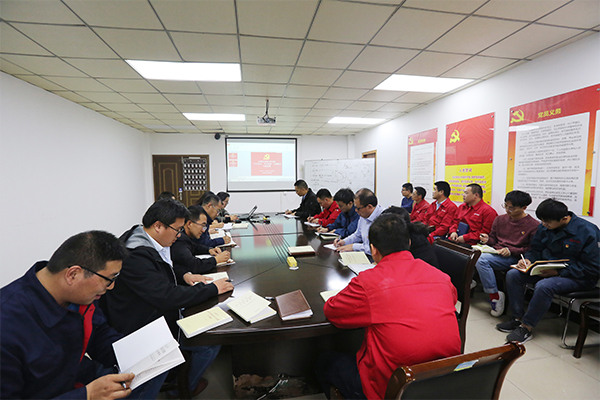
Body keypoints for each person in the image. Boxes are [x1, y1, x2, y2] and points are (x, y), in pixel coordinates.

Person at [1, 231, 165, 399]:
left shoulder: (80, 295)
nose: (111, 287)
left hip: (75, 371)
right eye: (109, 279)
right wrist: (87, 395)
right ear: (73, 274)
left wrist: (136, 354)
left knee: (153, 370)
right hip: (52, 391)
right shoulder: (8, 325)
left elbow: (99, 333)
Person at [317, 214, 461, 399]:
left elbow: (332, 311)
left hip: (391, 389)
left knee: (325, 361)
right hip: (443, 383)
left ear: (373, 249)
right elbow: (451, 299)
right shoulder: (440, 276)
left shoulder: (369, 282)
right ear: (409, 242)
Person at [103, 199, 234, 397]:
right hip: (142, 327)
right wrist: (212, 289)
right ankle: (182, 389)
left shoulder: (146, 237)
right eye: (177, 229)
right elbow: (167, 296)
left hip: (154, 314)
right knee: (209, 343)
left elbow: (167, 269)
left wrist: (185, 275)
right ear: (158, 226)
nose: (179, 235)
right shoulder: (136, 256)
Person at [497, 199, 600, 343]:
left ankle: (526, 327)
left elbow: (593, 267)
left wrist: (558, 273)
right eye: (542, 221)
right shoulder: (544, 226)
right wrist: (528, 260)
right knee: (513, 274)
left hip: (578, 276)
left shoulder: (588, 231)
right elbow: (536, 249)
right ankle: (517, 318)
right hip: (546, 269)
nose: (544, 225)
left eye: (547, 222)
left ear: (564, 218)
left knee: (544, 286)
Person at [475, 191, 539, 317]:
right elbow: (494, 239)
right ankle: (472, 286)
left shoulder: (533, 225)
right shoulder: (500, 219)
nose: (508, 210)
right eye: (506, 206)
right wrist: (487, 240)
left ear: (524, 207)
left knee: (480, 260)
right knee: (473, 255)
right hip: (496, 253)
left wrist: (511, 251)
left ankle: (495, 296)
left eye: (512, 208)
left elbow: (531, 249)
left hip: (515, 258)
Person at [171, 205, 232, 285]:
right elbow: (194, 265)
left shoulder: (186, 236)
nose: (203, 230)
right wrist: (216, 260)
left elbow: (194, 247)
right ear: (189, 224)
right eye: (202, 225)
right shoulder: (178, 239)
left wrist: (209, 250)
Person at [334, 188, 384, 255]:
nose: (356, 210)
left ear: (369, 207)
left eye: (358, 208)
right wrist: (344, 242)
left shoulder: (384, 219)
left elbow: (378, 250)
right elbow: (358, 235)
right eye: (355, 207)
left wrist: (353, 246)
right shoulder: (364, 215)